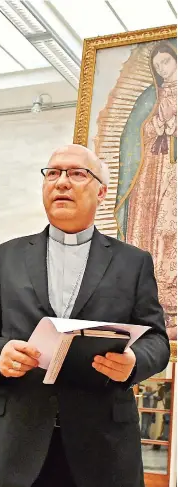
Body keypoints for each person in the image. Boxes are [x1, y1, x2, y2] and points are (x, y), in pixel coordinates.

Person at [0, 144, 170, 487]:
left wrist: (134, 361)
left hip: (102, 444)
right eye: (53, 173)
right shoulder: (4, 257)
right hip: (16, 438)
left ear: (101, 191)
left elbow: (157, 339)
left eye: (77, 173)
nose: (61, 182)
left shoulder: (133, 263)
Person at [115, 40, 177, 339]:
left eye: (165, 62)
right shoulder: (150, 96)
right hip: (153, 170)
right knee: (151, 227)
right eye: (157, 66)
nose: (162, 69)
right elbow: (135, 134)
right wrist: (156, 124)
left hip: (174, 171)